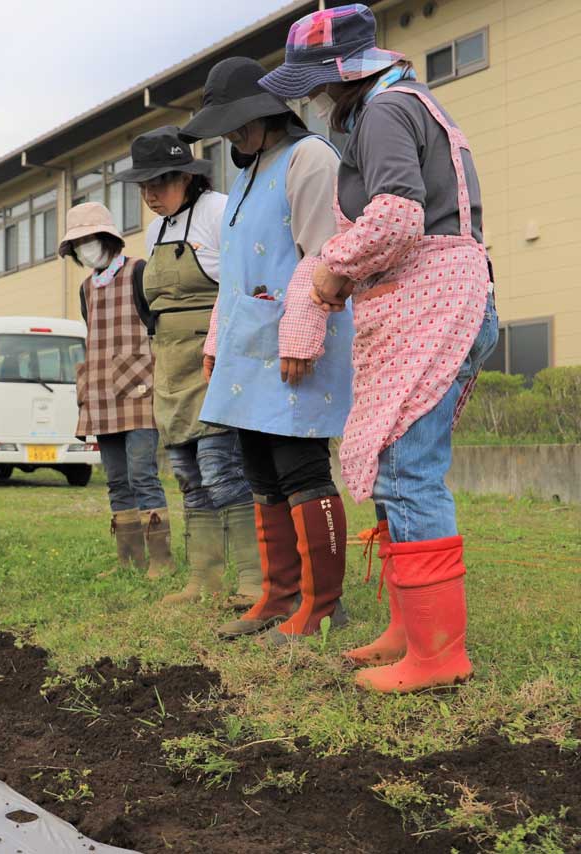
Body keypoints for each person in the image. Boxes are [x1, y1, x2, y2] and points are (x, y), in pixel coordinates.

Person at [260, 3, 499, 692]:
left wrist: (335, 267)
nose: (314, 95)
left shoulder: (387, 110)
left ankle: (437, 653)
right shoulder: (411, 101)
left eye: (317, 80)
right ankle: (407, 629)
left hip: (435, 302)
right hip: (442, 298)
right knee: (399, 461)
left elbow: (396, 214)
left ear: (344, 70)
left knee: (410, 470)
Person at [178, 56, 354, 643]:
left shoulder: (310, 158)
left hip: (296, 341)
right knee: (258, 465)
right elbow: (234, 273)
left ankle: (322, 604)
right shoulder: (248, 174)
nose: (231, 134)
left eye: (237, 121)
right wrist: (215, 342)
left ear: (269, 109)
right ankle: (278, 597)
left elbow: (325, 256)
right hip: (247, 346)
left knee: (298, 463)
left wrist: (303, 333)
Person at [116, 127, 261, 606]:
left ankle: (252, 578)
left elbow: (245, 283)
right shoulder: (155, 231)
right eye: (144, 187)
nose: (151, 195)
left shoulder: (219, 211)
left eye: (160, 182)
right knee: (185, 471)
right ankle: (204, 577)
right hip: (171, 365)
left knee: (222, 467)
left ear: (186, 175)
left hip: (214, 360)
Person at [61, 202, 172, 577]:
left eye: (89, 239)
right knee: (115, 478)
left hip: (140, 391)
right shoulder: (85, 288)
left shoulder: (139, 272)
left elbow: (158, 327)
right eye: (77, 243)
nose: (84, 248)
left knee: (143, 474)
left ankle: (160, 559)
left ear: (108, 238)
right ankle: (129, 560)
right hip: (101, 396)